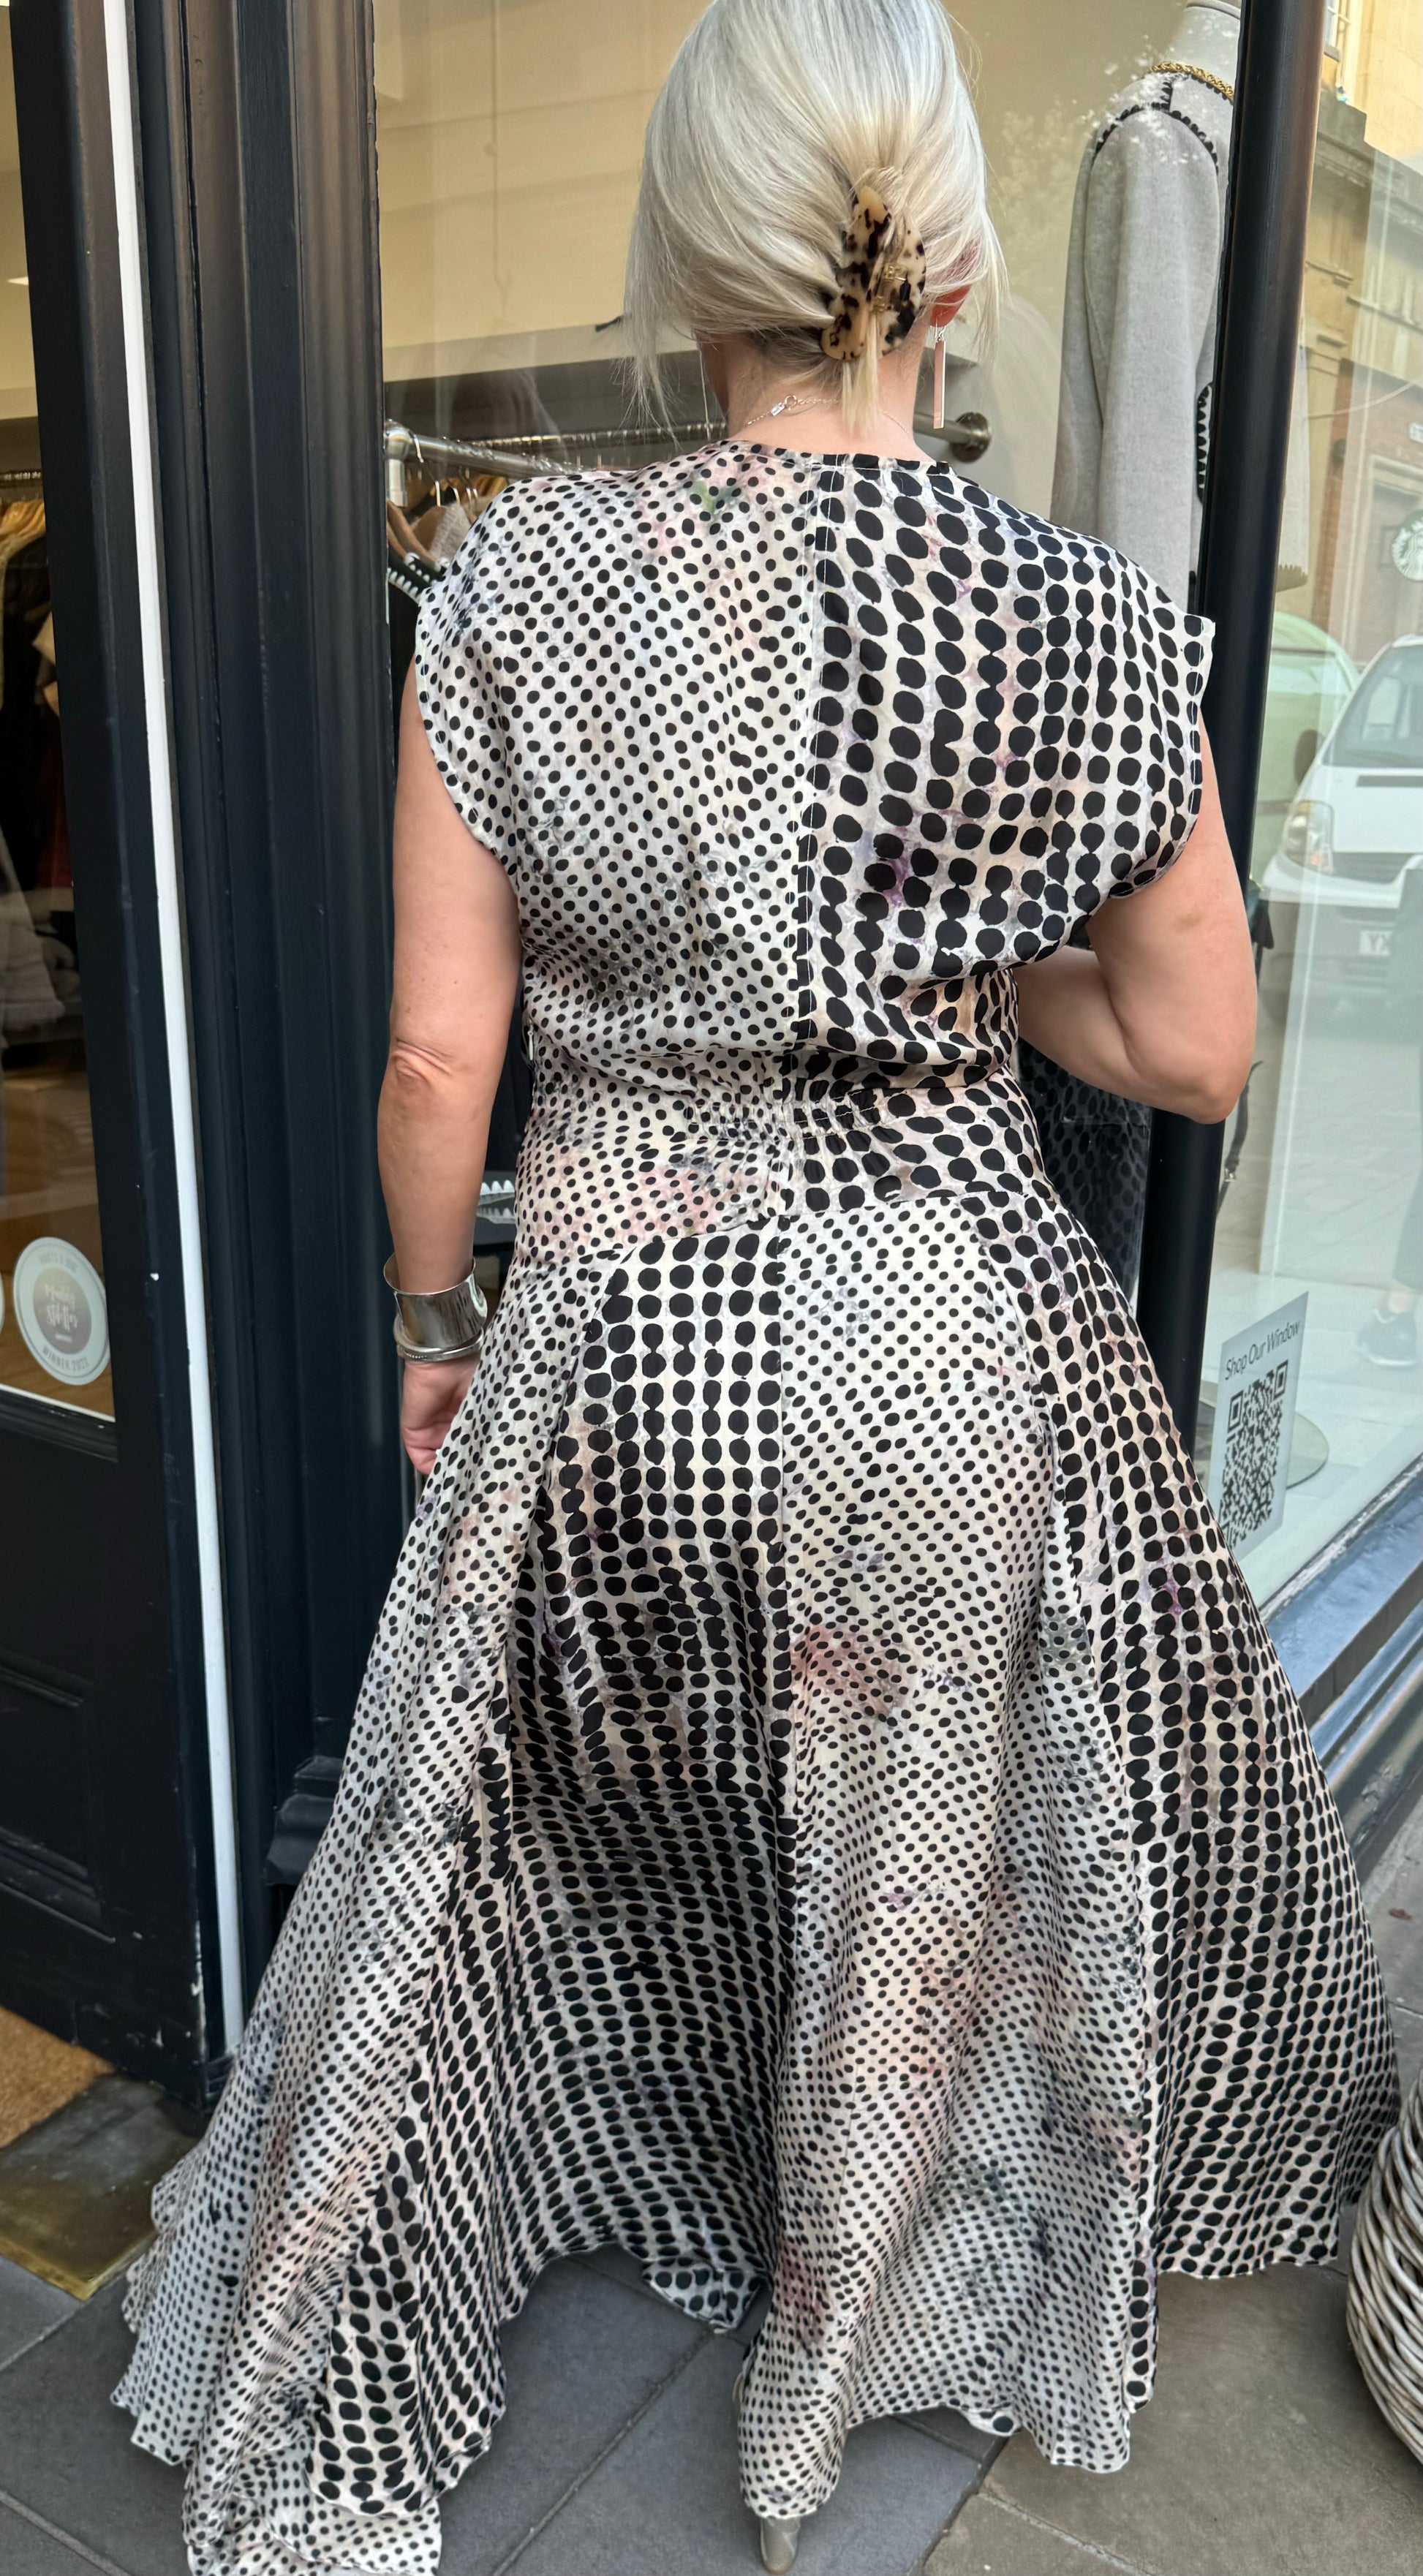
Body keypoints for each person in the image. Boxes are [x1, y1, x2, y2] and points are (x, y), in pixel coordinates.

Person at [113, 5, 1398, 2570]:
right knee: (897, 1854)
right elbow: (1182, 1033)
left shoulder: (519, 578)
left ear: (688, 251)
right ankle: (823, 2362)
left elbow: (423, 1066)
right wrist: (914, 982)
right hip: (937, 1336)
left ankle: (414, 2305)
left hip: (609, 1320)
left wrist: (422, 1326)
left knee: (526, 1852)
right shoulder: (1075, 611)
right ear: (938, 260)